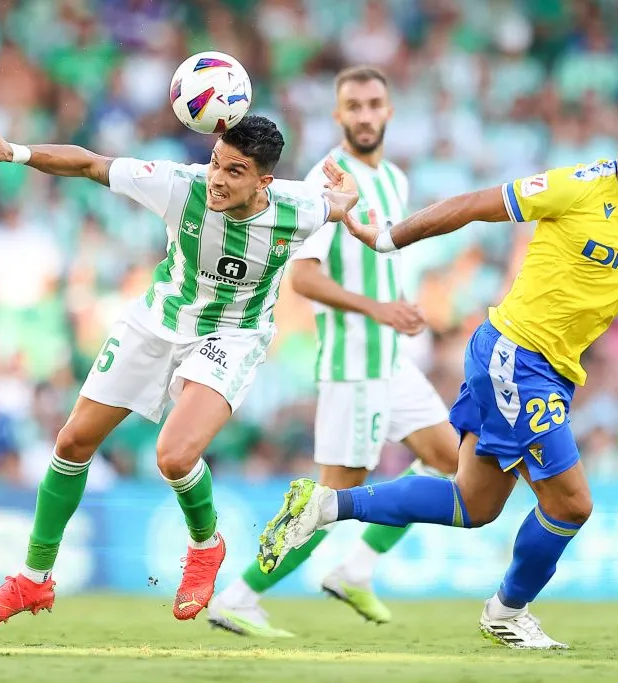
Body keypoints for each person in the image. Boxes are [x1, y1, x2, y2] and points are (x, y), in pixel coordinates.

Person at [256, 96, 618, 649]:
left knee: (473, 505)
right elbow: (473, 204)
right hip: (515, 354)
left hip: (548, 368)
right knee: (571, 503)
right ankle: (508, 612)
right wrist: (390, 237)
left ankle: (324, 504)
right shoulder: (578, 186)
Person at [0, 115, 359, 626]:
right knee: (73, 442)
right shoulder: (177, 185)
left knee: (173, 455)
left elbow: (340, 204)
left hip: (231, 336)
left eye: (235, 171)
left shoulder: (297, 210)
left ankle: (206, 546)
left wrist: (351, 193)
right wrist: (13, 150)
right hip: (156, 320)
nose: (217, 177)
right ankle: (33, 580)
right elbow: (88, 162)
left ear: (264, 183)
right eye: (216, 162)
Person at [209, 66, 458, 637]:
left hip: (389, 361)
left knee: (454, 463)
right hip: (352, 366)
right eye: (354, 106)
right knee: (333, 497)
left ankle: (357, 568)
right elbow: (304, 278)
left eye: (374, 104)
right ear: (338, 115)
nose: (365, 115)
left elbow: (375, 263)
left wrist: (394, 304)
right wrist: (379, 310)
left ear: (389, 111)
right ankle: (239, 596)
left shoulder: (393, 178)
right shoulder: (330, 179)